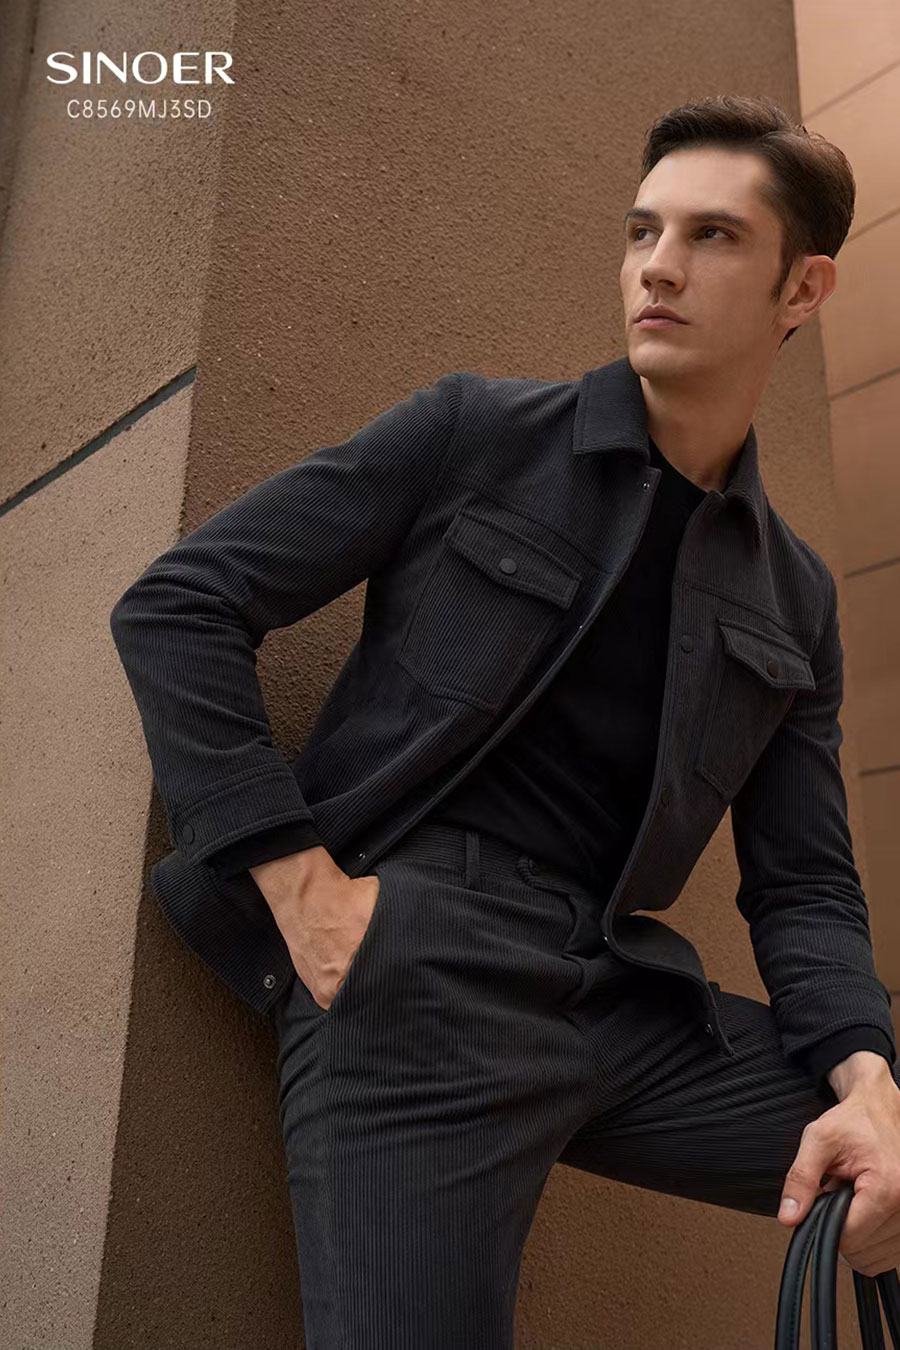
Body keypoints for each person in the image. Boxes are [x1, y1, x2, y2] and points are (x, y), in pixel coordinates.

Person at [110, 94, 900, 1349]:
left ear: (802, 288)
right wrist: (301, 887)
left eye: (711, 236)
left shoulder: (794, 596)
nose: (657, 266)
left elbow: (804, 884)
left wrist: (869, 1078)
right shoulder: (477, 434)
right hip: (419, 970)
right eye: (642, 230)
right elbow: (179, 605)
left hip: (622, 996)